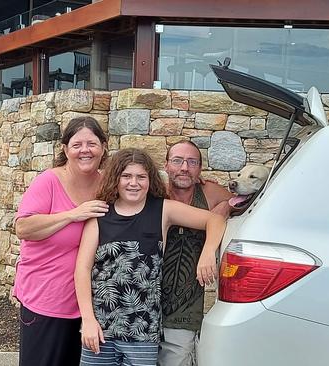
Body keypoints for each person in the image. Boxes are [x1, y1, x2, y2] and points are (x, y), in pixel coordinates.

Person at [74, 148, 226, 366]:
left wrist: (208, 252)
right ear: (115, 179)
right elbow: (82, 269)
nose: (133, 183)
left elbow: (215, 221)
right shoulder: (100, 216)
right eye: (126, 176)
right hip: (100, 329)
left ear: (150, 179)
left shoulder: (163, 210)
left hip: (143, 331)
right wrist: (87, 320)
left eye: (141, 177)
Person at [13, 116, 110, 366]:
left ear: (103, 147)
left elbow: (144, 192)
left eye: (92, 143)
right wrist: (72, 214)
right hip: (46, 299)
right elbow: (23, 227)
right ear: (66, 149)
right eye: (77, 145)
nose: (85, 150)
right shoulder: (49, 181)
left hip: (90, 305)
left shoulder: (107, 185)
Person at [159, 141, 234, 366]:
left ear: (200, 169)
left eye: (192, 162)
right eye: (177, 161)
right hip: (146, 302)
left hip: (184, 308)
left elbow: (248, 197)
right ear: (166, 166)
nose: (184, 167)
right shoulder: (155, 192)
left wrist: (227, 206)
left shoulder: (209, 193)